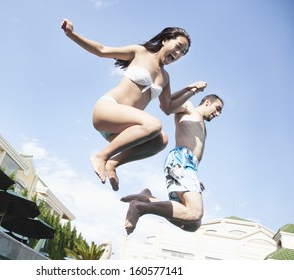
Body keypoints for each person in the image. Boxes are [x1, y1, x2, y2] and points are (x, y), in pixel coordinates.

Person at [61, 18, 206, 191]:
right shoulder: (140, 52)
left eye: (183, 52)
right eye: (178, 46)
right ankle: (102, 156)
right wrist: (71, 34)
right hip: (107, 109)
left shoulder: (165, 78)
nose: (178, 53)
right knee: (153, 125)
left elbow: (168, 107)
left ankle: (113, 163)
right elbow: (102, 50)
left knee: (161, 140)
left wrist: (190, 91)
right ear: (165, 40)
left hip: (120, 130)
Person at [121, 93, 223, 234]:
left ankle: (148, 199)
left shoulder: (203, 126)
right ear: (207, 102)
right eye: (217, 108)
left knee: (193, 224)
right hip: (181, 159)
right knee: (195, 212)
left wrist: (194, 179)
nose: (217, 114)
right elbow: (166, 106)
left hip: (189, 167)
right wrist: (191, 90)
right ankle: (139, 207)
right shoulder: (189, 108)